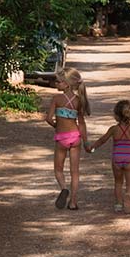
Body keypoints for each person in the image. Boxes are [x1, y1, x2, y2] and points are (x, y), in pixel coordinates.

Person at [44, 68, 89, 210]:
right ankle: (73, 202)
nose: (56, 84)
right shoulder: (79, 101)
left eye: (58, 81)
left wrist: (57, 126)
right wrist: (86, 141)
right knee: (74, 172)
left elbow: (48, 119)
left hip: (61, 138)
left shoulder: (56, 99)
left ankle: (64, 188)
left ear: (66, 84)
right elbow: (81, 123)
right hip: (75, 138)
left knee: (58, 170)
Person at [87, 101, 130, 214]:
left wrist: (92, 147)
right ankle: (128, 194)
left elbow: (102, 140)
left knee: (118, 182)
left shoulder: (113, 129)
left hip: (117, 158)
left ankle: (118, 204)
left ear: (116, 115)